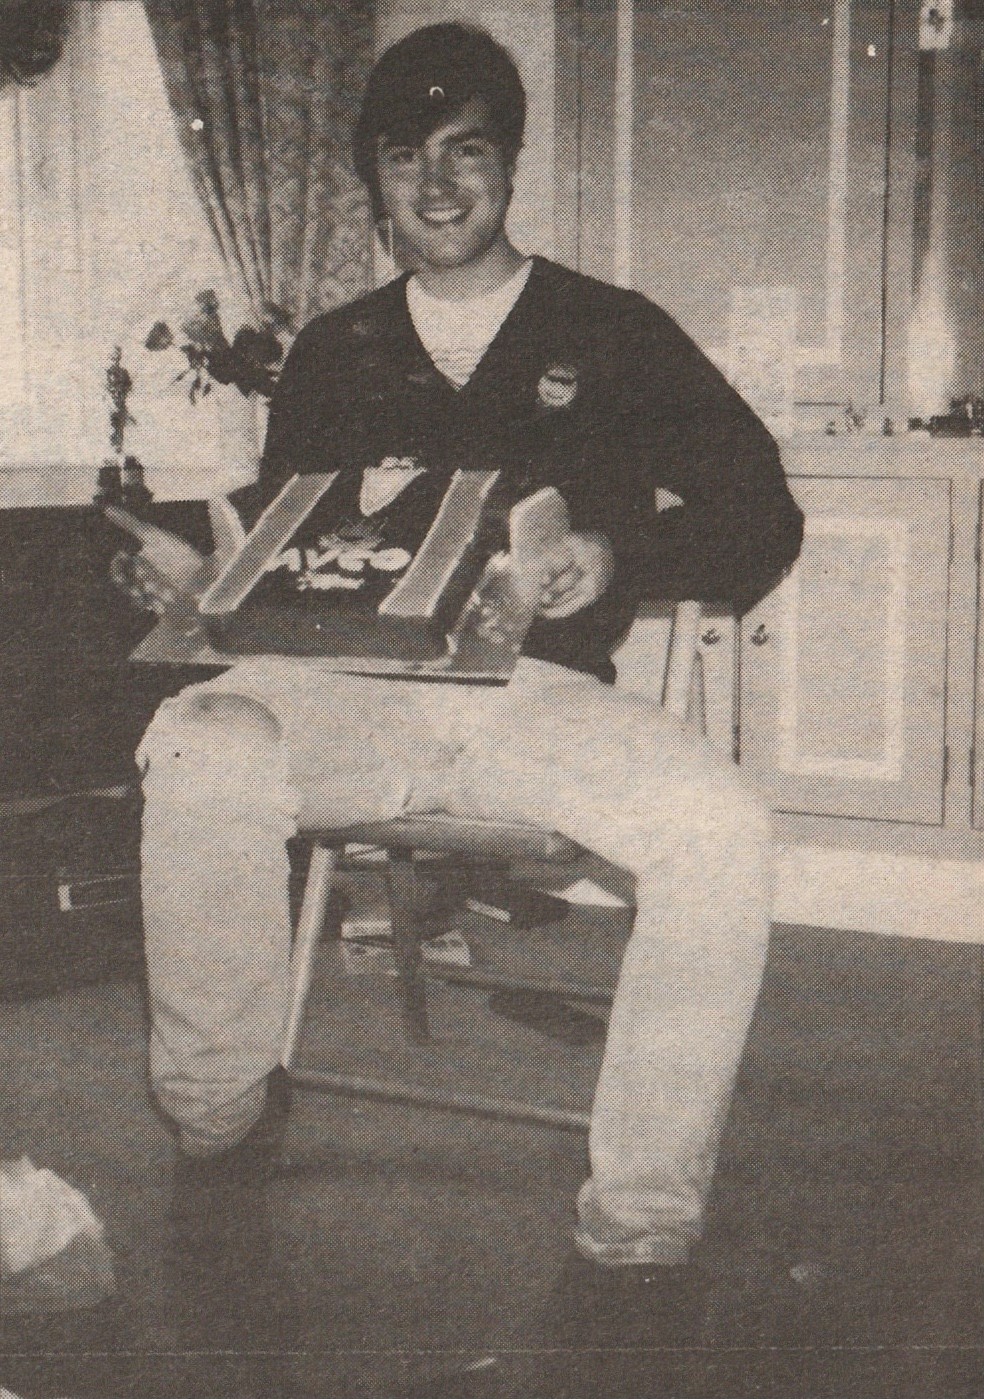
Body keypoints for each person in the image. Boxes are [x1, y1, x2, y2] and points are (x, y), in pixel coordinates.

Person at [136, 20, 803, 1336]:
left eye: (468, 153)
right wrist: (202, 582)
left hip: (535, 699)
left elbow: (762, 515)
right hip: (338, 697)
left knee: (723, 828)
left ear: (509, 169)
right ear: (375, 183)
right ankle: (220, 1117)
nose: (436, 186)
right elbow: (290, 535)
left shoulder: (609, 331)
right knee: (197, 743)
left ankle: (642, 1220)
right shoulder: (333, 348)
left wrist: (620, 551)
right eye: (405, 159)